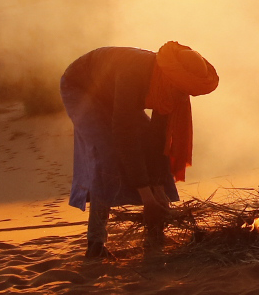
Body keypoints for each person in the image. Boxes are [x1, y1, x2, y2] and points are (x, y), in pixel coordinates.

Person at [60, 42, 220, 259]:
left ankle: (154, 233)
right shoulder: (133, 74)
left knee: (150, 149)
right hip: (82, 86)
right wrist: (147, 196)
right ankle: (95, 244)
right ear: (172, 77)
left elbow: (157, 140)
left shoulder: (165, 88)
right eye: (181, 89)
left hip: (111, 92)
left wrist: (158, 189)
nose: (183, 96)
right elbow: (124, 136)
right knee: (106, 155)